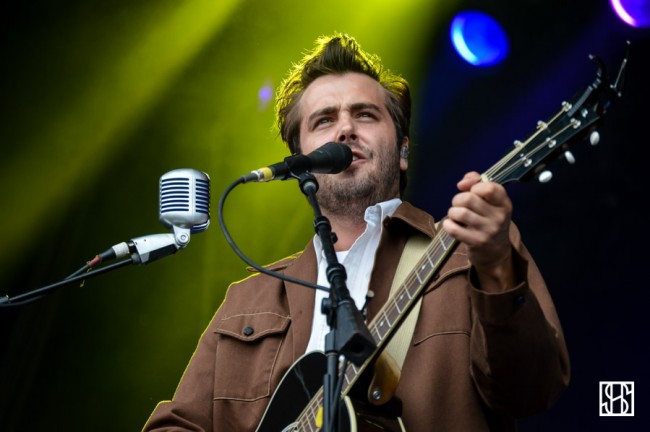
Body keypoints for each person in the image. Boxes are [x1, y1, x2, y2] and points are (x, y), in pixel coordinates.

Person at [143, 32, 570, 432]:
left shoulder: (472, 251)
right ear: (301, 163)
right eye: (324, 120)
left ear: (403, 151)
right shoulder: (248, 300)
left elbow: (532, 390)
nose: (346, 129)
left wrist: (495, 267)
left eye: (365, 114)